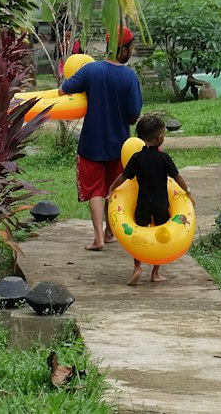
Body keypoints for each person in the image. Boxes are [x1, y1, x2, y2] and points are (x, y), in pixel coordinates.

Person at [60, 26, 142, 251]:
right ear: (122, 50)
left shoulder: (90, 71)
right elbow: (134, 115)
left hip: (91, 143)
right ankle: (109, 233)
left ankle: (97, 237)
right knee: (114, 190)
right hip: (120, 145)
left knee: (95, 190)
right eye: (131, 48)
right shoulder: (129, 76)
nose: (132, 52)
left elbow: (63, 90)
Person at [107, 113, 193, 286]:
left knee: (137, 235)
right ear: (159, 137)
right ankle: (155, 272)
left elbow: (124, 177)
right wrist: (188, 192)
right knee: (160, 234)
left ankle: (137, 268)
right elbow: (178, 178)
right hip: (161, 204)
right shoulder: (164, 158)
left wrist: (111, 189)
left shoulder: (136, 158)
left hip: (143, 204)